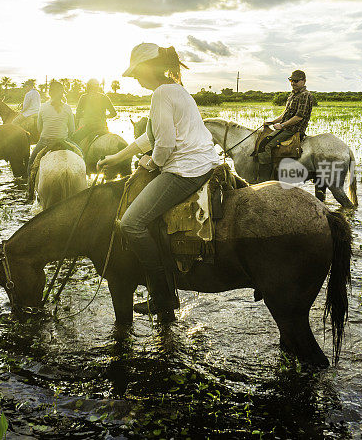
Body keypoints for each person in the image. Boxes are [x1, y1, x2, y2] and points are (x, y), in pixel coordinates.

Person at [97, 43, 219, 323]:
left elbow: (163, 145)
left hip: (185, 169)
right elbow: (150, 137)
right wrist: (118, 156)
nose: (137, 80)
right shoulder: (175, 89)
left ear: (148, 70)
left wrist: (149, 163)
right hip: (202, 161)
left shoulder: (161, 94)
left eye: (138, 73)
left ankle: (162, 292)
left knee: (131, 223)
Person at [255, 70, 314, 181]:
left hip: (293, 129)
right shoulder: (293, 94)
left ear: (304, 81)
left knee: (264, 146)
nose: (293, 83)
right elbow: (285, 114)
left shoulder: (305, 95)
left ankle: (265, 180)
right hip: (286, 127)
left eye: (296, 81)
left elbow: (299, 117)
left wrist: (282, 126)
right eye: (291, 80)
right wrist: (272, 122)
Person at [27, 80, 76, 180]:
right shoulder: (67, 108)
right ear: (62, 93)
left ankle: (30, 190)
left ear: (49, 93)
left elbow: (39, 128)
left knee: (30, 164)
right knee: (81, 155)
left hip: (45, 142)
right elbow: (72, 129)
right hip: (63, 141)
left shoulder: (43, 107)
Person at [71, 78, 117, 143]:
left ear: (88, 87)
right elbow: (114, 113)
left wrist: (86, 115)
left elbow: (78, 114)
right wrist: (104, 116)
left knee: (73, 139)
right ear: (98, 87)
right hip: (103, 127)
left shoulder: (84, 97)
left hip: (89, 127)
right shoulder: (104, 97)